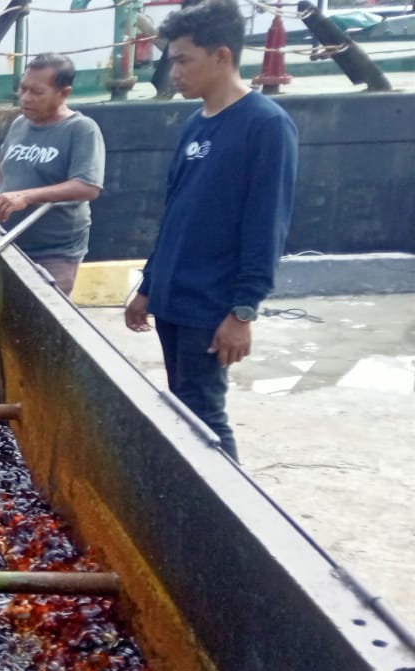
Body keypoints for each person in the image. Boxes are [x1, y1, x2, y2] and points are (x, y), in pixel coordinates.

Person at [125, 0, 297, 461]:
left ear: (221, 56)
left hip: (211, 300)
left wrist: (242, 311)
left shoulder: (265, 125)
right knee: (180, 406)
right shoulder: (195, 124)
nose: (174, 72)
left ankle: (227, 503)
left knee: (203, 414)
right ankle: (185, 494)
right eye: (172, 61)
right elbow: (176, 213)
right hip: (173, 294)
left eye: (184, 60)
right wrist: (149, 284)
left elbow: (267, 225)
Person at [0, 52, 106, 296]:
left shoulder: (81, 129)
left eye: (37, 92)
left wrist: (26, 196)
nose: (25, 98)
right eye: (23, 89)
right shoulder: (19, 124)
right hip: (10, 242)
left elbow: (88, 186)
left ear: (64, 93)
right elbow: (4, 169)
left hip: (54, 252)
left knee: (41, 310)